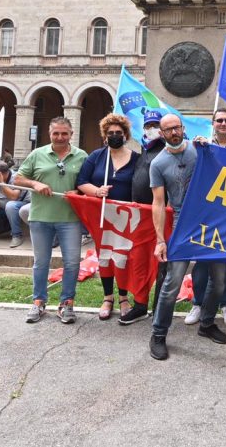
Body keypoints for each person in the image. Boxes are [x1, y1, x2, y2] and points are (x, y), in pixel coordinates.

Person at [149, 113, 226, 360]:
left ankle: (206, 323)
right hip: (182, 225)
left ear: (183, 128)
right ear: (161, 133)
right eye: (168, 130)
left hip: (210, 223)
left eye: (177, 128)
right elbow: (158, 203)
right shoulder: (158, 163)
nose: (174, 132)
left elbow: (225, 175)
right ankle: (159, 334)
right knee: (172, 283)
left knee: (220, 280)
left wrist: (209, 149)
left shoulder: (199, 150)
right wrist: (160, 239)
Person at [14, 117, 88, 324]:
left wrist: (77, 191)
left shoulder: (81, 156)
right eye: (56, 133)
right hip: (40, 217)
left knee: (72, 262)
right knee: (41, 263)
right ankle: (39, 302)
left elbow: (89, 183)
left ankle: (67, 303)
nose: (60, 137)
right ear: (50, 134)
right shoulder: (37, 154)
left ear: (71, 134)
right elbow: (18, 179)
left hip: (70, 219)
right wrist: (35, 184)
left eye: (64, 133)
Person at [188, 108, 226, 328]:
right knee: (202, 260)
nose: (223, 123)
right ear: (213, 123)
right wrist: (198, 150)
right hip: (207, 212)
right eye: (219, 120)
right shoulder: (202, 145)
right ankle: (198, 302)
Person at [76, 114, 141, 320]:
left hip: (125, 217)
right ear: (105, 135)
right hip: (101, 215)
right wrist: (96, 191)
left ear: (126, 135)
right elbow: (81, 181)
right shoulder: (96, 156)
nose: (114, 136)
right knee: (104, 257)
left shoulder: (137, 158)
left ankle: (123, 297)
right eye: (110, 133)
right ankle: (107, 297)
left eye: (118, 133)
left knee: (121, 257)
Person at [124, 109, 167, 325]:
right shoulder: (143, 151)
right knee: (139, 262)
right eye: (149, 125)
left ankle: (159, 307)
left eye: (156, 125)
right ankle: (139, 304)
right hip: (140, 216)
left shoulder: (170, 151)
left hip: (163, 216)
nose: (153, 129)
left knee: (162, 264)